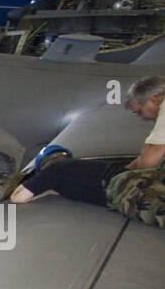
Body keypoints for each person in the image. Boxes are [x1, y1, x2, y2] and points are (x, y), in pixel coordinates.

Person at [11, 75, 165, 206]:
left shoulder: (56, 170)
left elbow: (148, 161)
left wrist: (122, 177)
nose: (141, 118)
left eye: (140, 111)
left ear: (154, 100)